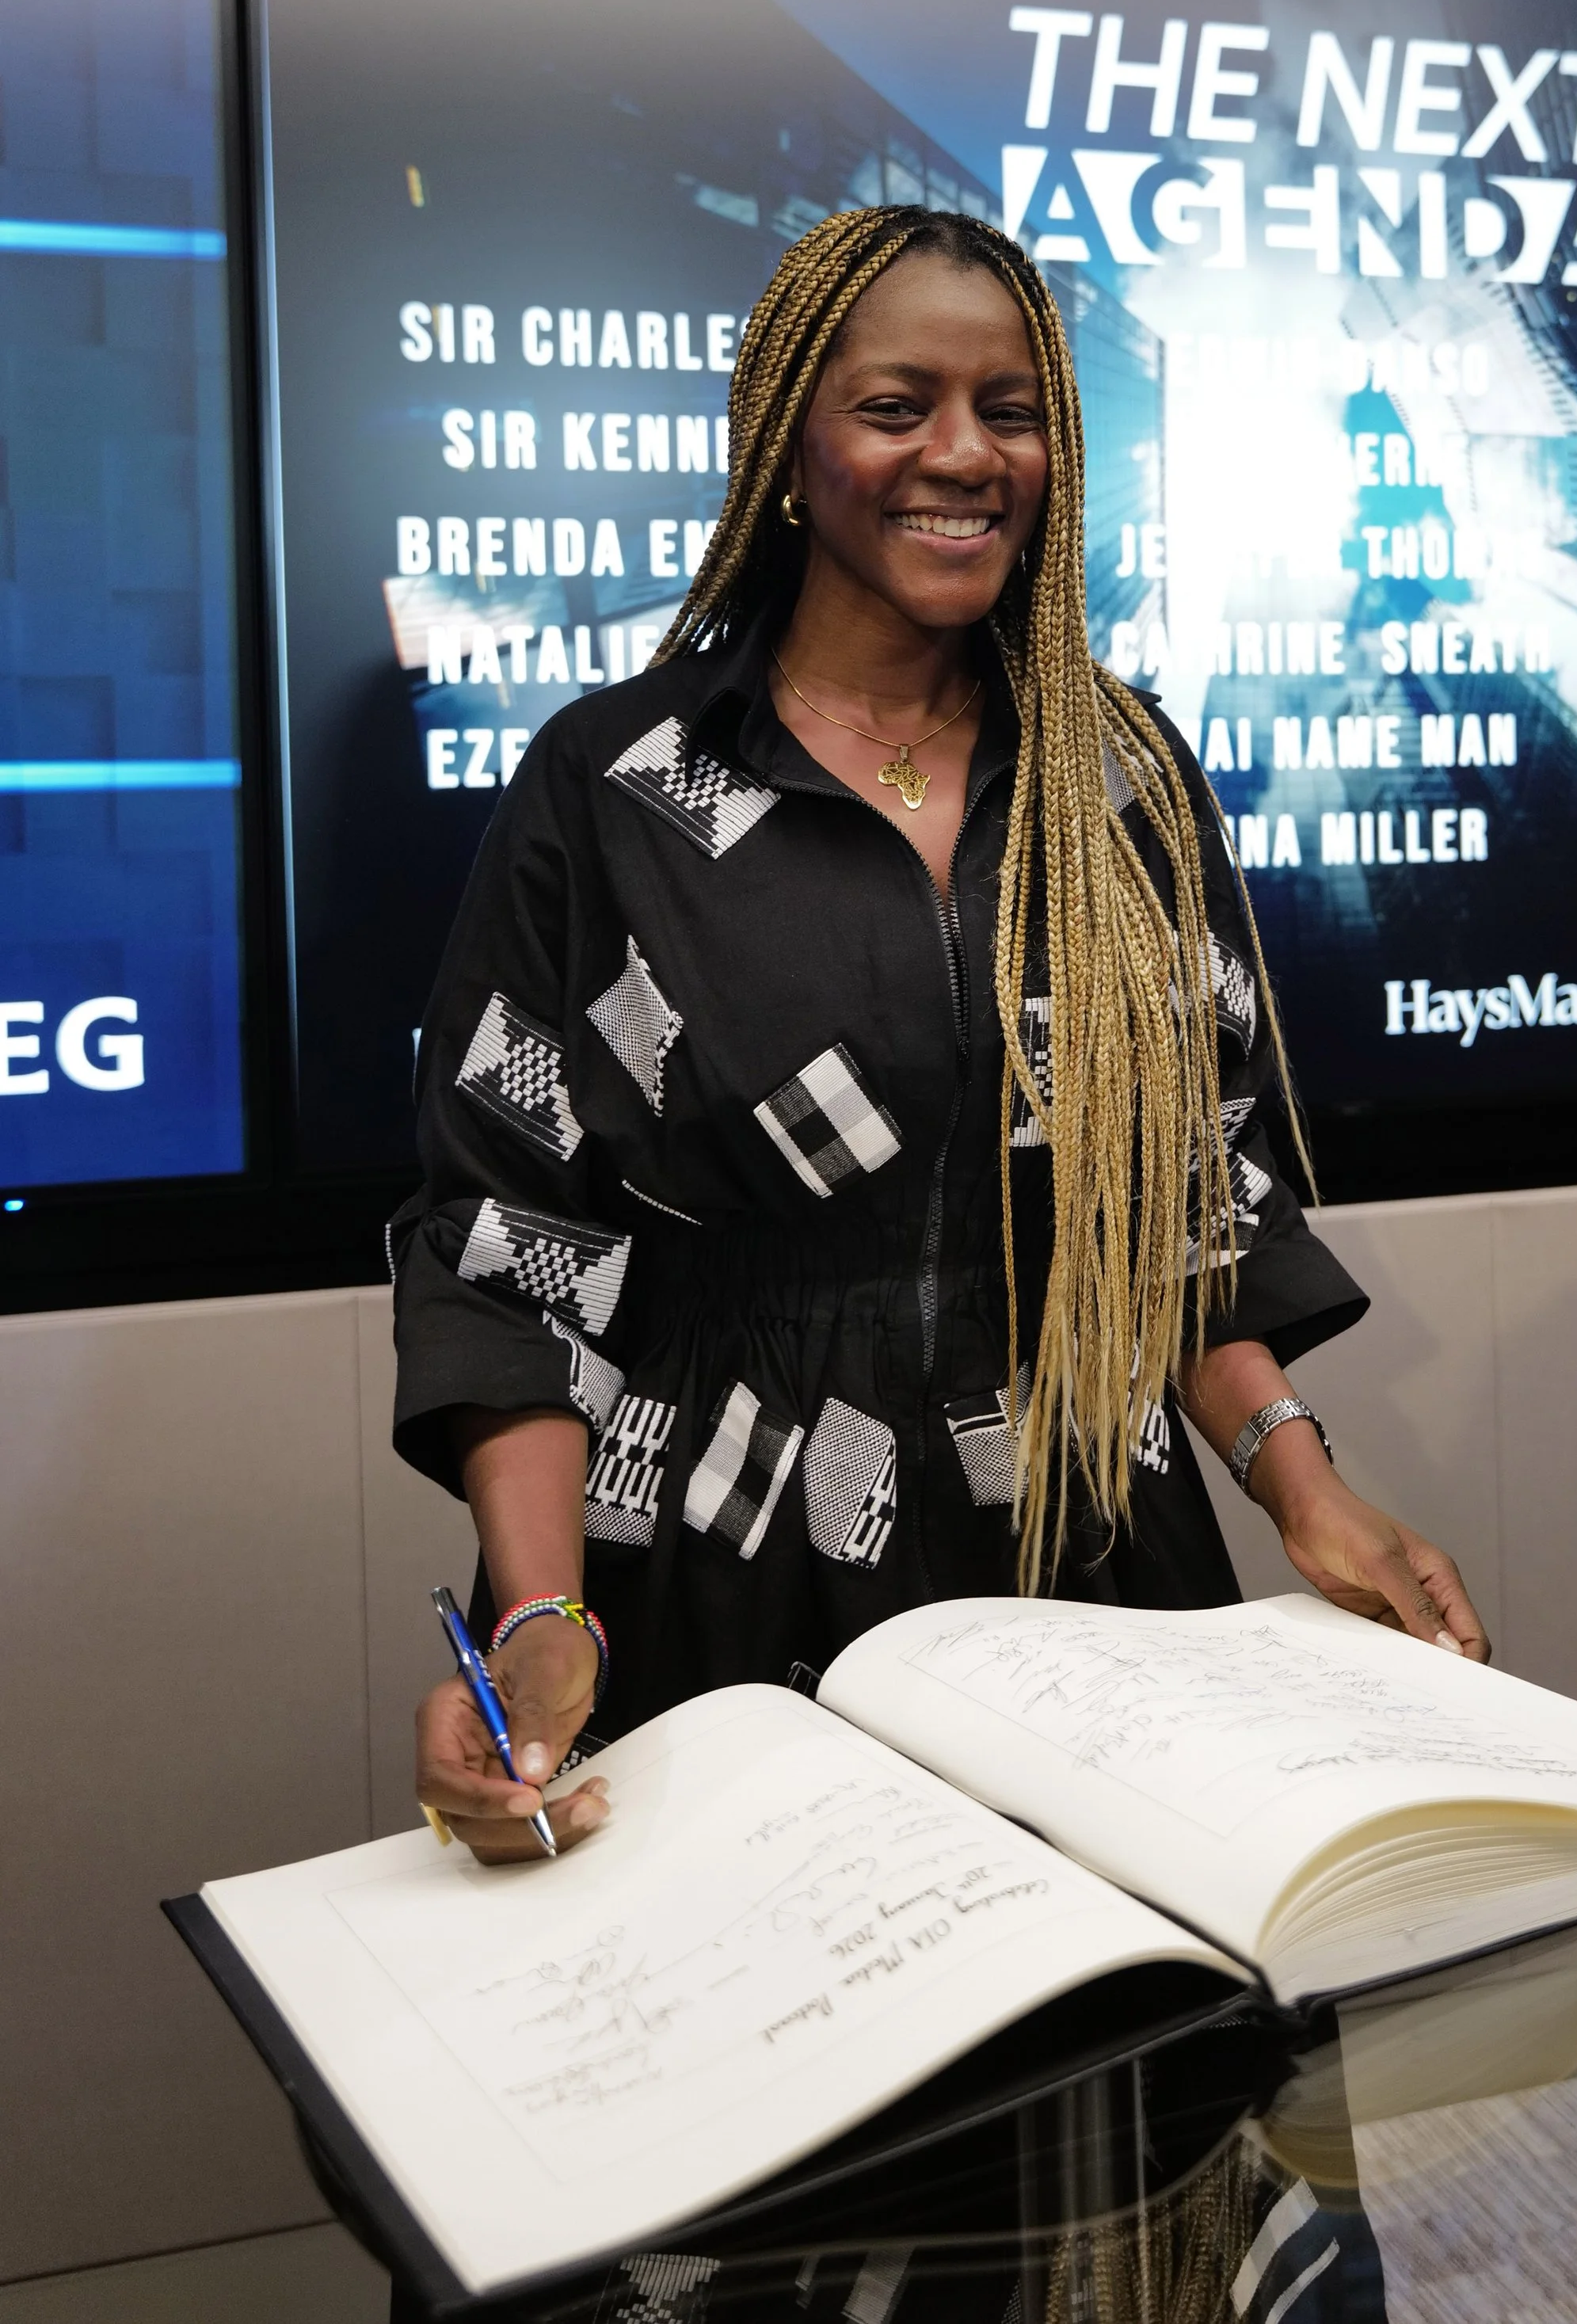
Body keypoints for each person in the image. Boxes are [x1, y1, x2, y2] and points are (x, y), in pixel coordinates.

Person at [395, 205, 1487, 1862]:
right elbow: (507, 1251)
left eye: (1011, 413)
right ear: (785, 445)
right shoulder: (610, 789)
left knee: (1135, 2077)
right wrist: (544, 1613)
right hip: (713, 1566)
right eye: (896, 408)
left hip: (1081, 1548)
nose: (961, 456)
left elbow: (1178, 1215)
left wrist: (1300, 1482)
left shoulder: (1120, 778)